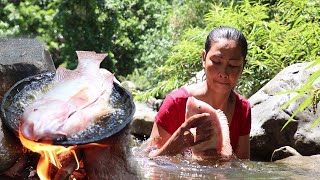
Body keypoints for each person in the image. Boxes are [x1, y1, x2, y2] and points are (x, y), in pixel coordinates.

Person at [147, 26, 251, 160]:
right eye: (216, 62)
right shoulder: (176, 103)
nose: (223, 73)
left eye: (233, 65)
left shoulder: (243, 109)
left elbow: (242, 167)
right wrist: (175, 144)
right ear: (204, 58)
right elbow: (149, 163)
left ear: (243, 66)